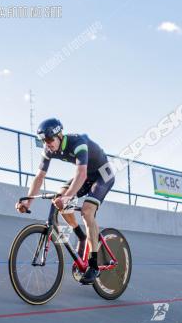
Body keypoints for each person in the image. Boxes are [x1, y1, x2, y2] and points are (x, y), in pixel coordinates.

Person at [16, 118, 114, 284]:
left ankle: (93, 264)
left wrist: (68, 197)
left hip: (102, 175)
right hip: (86, 176)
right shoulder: (48, 150)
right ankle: (81, 236)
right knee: (57, 200)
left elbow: (81, 174)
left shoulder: (78, 143)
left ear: (59, 135)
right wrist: (28, 202)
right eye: (43, 141)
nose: (47, 144)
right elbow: (39, 177)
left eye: (49, 140)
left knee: (86, 211)